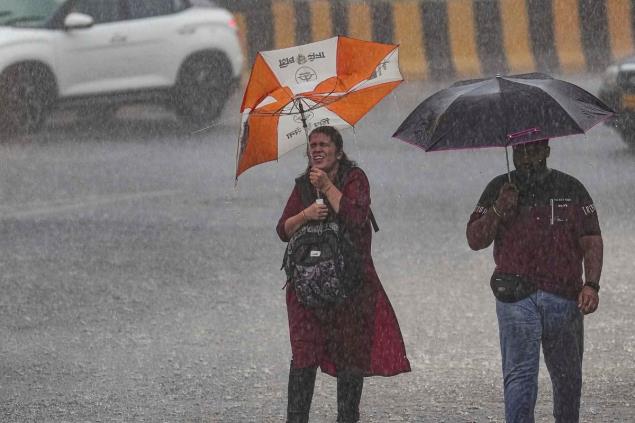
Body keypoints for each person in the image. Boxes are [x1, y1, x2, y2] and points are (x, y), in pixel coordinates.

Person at [277, 126, 410, 423]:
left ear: (338, 151)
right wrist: (305, 215)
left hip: (350, 287)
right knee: (303, 356)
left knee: (350, 359)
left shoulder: (355, 178)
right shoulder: (302, 185)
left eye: (324, 144)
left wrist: (326, 186)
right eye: (312, 145)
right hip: (307, 289)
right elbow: (282, 230)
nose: (317, 150)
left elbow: (355, 216)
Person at [466, 139, 603, 422]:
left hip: (564, 298)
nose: (526, 157)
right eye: (520, 151)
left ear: (547, 151)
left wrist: (591, 284)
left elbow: (591, 240)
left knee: (568, 381)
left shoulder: (571, 188)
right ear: (512, 153)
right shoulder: (498, 188)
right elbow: (474, 239)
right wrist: (499, 209)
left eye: (534, 150)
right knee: (519, 378)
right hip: (515, 298)